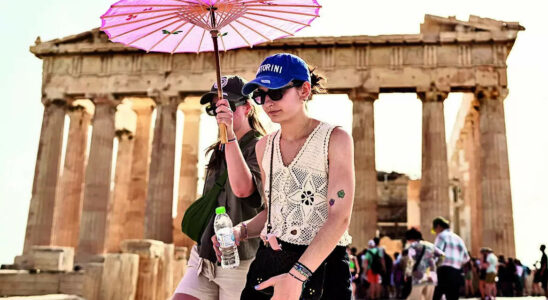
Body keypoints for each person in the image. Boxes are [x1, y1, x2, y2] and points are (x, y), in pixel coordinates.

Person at [212, 53, 355, 300]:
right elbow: (274, 211)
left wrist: (297, 276)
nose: (267, 102)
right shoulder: (263, 147)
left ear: (304, 90)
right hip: (270, 261)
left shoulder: (335, 139)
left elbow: (339, 216)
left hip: (322, 267)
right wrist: (241, 231)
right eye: (260, 95)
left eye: (276, 92)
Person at [172, 75, 266, 300]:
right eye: (216, 108)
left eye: (228, 105)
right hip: (204, 257)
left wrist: (231, 134)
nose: (221, 112)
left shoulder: (262, 146)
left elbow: (244, 191)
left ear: (248, 108)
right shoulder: (218, 150)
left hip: (241, 260)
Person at [431, 217, 470, 300]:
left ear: (438, 226)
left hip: (443, 270)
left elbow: (437, 253)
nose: (435, 232)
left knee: (436, 294)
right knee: (453, 296)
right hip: (456, 272)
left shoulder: (441, 236)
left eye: (435, 230)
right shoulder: (459, 239)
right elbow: (466, 258)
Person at [404, 228, 444, 300]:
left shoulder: (413, 246)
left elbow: (411, 261)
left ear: (410, 238)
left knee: (414, 298)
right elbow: (442, 255)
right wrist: (436, 265)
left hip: (418, 276)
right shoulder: (431, 245)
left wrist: (407, 274)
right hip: (431, 276)